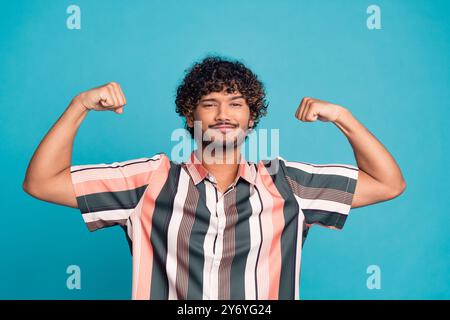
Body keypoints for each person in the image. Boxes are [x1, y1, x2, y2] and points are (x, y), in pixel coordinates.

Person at [23, 56, 406, 300]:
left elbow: (388, 183)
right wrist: (80, 106)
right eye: (210, 103)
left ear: (251, 118)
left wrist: (343, 117)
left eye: (236, 103)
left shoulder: (289, 183)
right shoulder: (148, 181)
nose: (223, 113)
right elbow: (41, 182)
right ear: (192, 117)